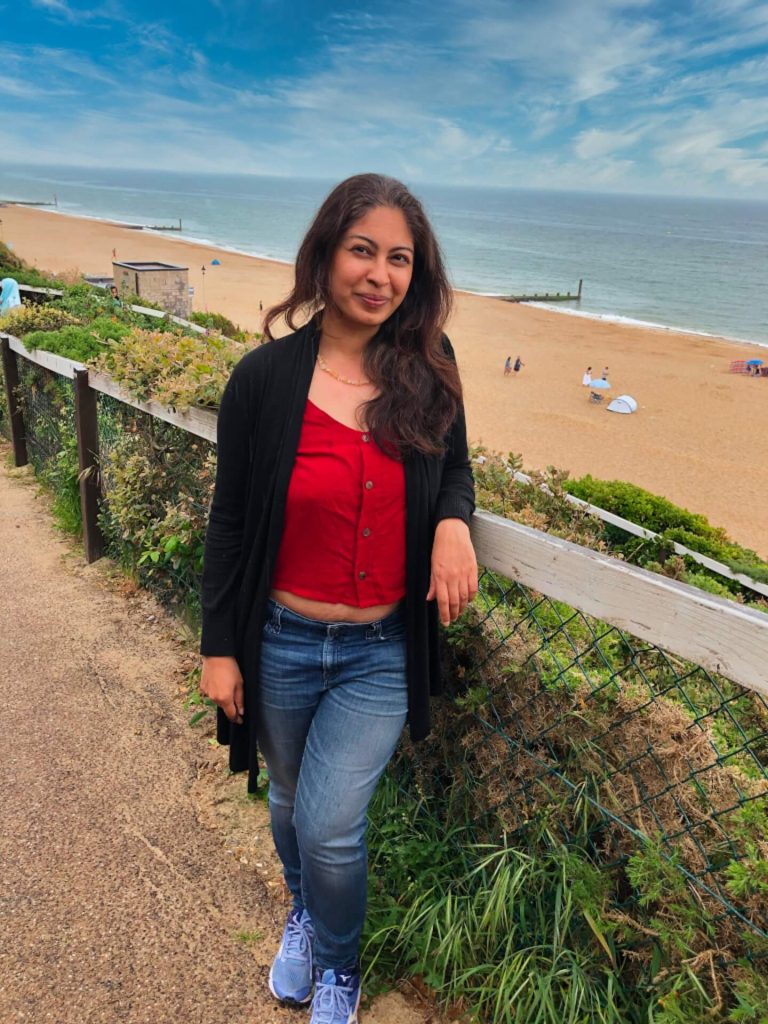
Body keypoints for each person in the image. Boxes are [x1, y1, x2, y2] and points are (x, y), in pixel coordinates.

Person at [200, 173, 477, 1024]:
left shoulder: (432, 368)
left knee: (326, 823)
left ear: (415, 274)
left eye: (399, 258)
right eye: (362, 250)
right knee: (285, 802)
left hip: (381, 651)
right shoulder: (262, 380)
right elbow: (233, 520)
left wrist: (453, 524)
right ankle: (306, 917)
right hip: (280, 640)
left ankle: (340, 968)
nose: (379, 274)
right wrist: (218, 647)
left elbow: (456, 470)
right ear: (324, 256)